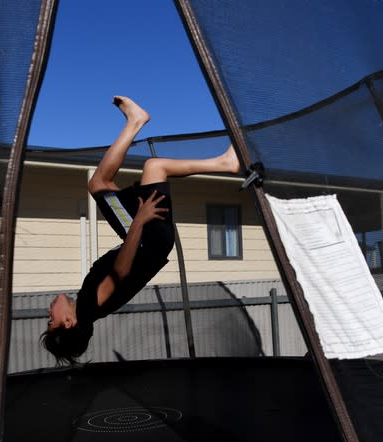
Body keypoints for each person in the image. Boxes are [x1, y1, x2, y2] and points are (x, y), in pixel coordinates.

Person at [41, 96, 239, 364]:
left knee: (101, 183)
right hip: (148, 240)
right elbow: (121, 272)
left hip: (147, 241)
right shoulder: (90, 306)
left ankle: (137, 122)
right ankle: (222, 163)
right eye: (51, 318)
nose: (49, 311)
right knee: (151, 167)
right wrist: (140, 219)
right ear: (67, 322)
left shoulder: (88, 305)